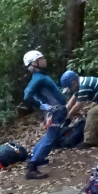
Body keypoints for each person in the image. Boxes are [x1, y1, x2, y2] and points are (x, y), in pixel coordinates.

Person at [22, 50, 68, 180]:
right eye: (41, 58)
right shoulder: (39, 79)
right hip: (55, 112)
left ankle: (36, 157)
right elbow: (27, 95)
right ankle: (32, 167)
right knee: (51, 138)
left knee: (50, 136)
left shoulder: (41, 76)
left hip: (56, 111)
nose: (44, 60)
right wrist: (43, 106)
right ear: (34, 63)